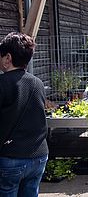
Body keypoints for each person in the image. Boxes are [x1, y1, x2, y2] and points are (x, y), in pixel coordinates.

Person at [0, 32, 48, 196]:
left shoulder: (3, 83)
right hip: (39, 155)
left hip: (11, 156)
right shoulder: (38, 83)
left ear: (8, 58)